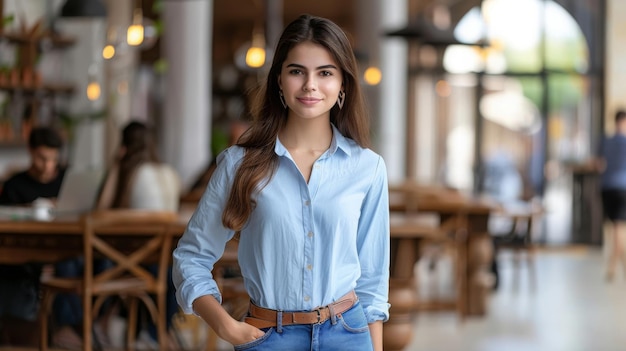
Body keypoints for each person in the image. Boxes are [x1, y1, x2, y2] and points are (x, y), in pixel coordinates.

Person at [173, 14, 390, 351]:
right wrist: (226, 327)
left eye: (325, 73)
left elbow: (373, 282)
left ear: (343, 84)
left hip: (348, 333)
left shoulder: (368, 168)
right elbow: (191, 257)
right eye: (296, 71)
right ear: (278, 80)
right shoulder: (239, 164)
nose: (310, 85)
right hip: (267, 336)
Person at [96, 120, 181, 347]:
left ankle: (103, 324)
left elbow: (101, 212)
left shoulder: (130, 173)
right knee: (170, 274)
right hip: (166, 260)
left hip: (130, 261)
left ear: (124, 146)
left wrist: (115, 165)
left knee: (97, 263)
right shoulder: (168, 172)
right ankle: (154, 333)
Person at [0, 126, 67, 345]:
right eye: (42, 159)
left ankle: (69, 330)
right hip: (24, 254)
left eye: (53, 159)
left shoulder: (68, 181)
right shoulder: (14, 185)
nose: (48, 166)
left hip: (65, 250)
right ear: (30, 151)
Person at [598, 110, 626, 282]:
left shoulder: (605, 141)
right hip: (623, 188)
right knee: (619, 229)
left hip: (607, 187)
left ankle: (614, 265)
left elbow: (599, 163)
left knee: (614, 228)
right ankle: (614, 265)